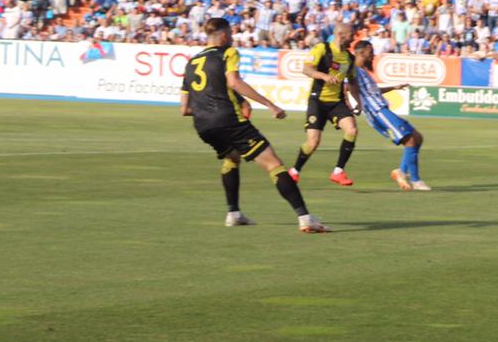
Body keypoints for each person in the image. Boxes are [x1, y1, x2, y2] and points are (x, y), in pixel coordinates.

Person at [180, 17, 329, 233]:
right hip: (228, 120)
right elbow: (234, 82)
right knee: (273, 164)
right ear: (223, 35)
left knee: (232, 157)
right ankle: (305, 218)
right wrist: (269, 104)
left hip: (203, 126)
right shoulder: (228, 52)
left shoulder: (191, 62)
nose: (231, 38)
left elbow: (184, 109)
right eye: (230, 34)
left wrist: (207, 110)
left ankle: (234, 213)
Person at [350, 41, 431, 192]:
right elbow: (347, 86)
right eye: (371, 51)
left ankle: (401, 171)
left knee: (417, 137)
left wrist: (394, 87)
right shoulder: (352, 70)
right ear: (364, 51)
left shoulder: (362, 71)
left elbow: (373, 91)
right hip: (377, 112)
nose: (373, 55)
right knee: (410, 140)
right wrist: (357, 103)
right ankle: (415, 180)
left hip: (382, 109)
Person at [291, 20, 360, 186]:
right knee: (313, 142)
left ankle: (338, 171)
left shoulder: (350, 58)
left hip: (336, 102)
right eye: (351, 36)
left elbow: (352, 82)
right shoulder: (323, 48)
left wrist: (358, 102)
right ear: (340, 35)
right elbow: (306, 69)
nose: (353, 39)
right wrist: (324, 76)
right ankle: (294, 171)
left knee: (351, 130)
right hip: (318, 101)